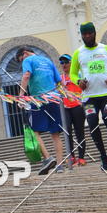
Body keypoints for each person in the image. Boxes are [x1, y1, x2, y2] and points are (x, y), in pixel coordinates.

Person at [69, 22, 107, 171]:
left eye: (89, 33)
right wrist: (78, 82)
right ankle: (103, 157)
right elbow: (73, 73)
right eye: (84, 34)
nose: (87, 36)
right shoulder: (78, 53)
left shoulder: (106, 49)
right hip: (89, 97)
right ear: (81, 35)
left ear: (94, 33)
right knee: (92, 124)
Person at [16, 47, 64, 175]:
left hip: (38, 100)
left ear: (24, 53)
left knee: (34, 131)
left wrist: (21, 96)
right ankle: (60, 165)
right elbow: (59, 81)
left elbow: (26, 75)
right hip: (54, 99)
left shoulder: (28, 60)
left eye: (21, 60)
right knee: (55, 134)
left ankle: (47, 158)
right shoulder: (47, 61)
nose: (22, 62)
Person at [59, 55, 86, 165]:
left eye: (66, 62)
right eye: (62, 62)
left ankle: (81, 157)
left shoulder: (78, 75)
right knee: (67, 132)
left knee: (80, 132)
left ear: (71, 63)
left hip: (78, 106)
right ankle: (71, 157)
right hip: (65, 108)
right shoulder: (60, 78)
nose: (64, 64)